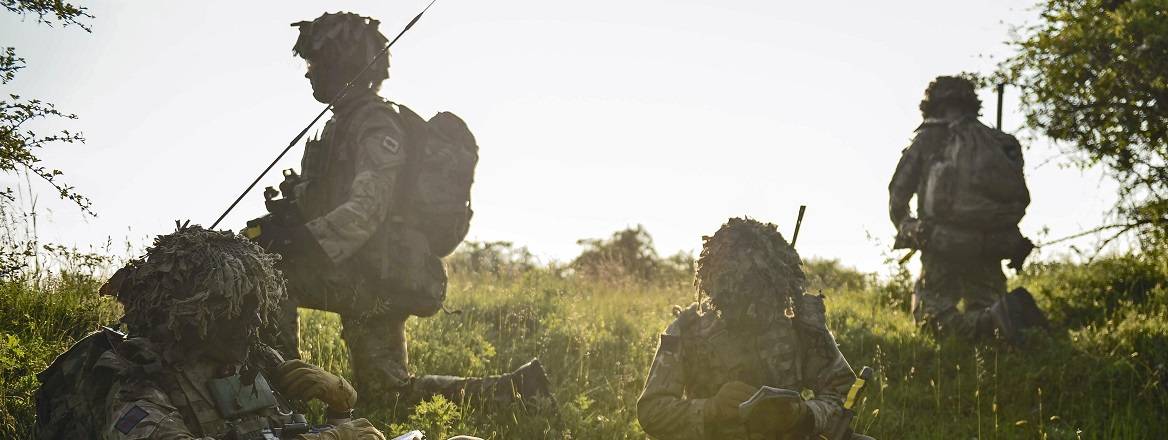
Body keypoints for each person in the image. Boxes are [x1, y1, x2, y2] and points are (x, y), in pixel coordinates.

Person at [248, 11, 550, 407]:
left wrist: (300, 238)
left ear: (342, 64)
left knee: (270, 276)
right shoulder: (342, 124)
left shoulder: (375, 123)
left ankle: (282, 400)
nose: (308, 74)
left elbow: (369, 207)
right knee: (390, 394)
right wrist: (285, 220)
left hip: (379, 272)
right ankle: (521, 393)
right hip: (369, 269)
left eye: (315, 63)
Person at [35, 225, 385, 439]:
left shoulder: (259, 362)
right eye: (230, 310)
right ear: (186, 312)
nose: (252, 324)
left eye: (256, 306)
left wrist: (339, 411)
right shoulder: (134, 376)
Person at [637, 218, 865, 440]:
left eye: (761, 291)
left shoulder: (798, 327)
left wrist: (803, 415)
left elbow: (844, 391)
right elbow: (651, 411)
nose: (752, 307)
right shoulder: (688, 330)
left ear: (779, 285)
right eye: (740, 292)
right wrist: (711, 409)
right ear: (718, 285)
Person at [888, 76, 1046, 342]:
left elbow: (898, 196)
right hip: (993, 243)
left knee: (931, 319)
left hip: (943, 243)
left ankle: (991, 321)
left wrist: (910, 228)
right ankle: (1000, 318)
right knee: (988, 307)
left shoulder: (929, 139)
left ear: (933, 103)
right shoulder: (995, 140)